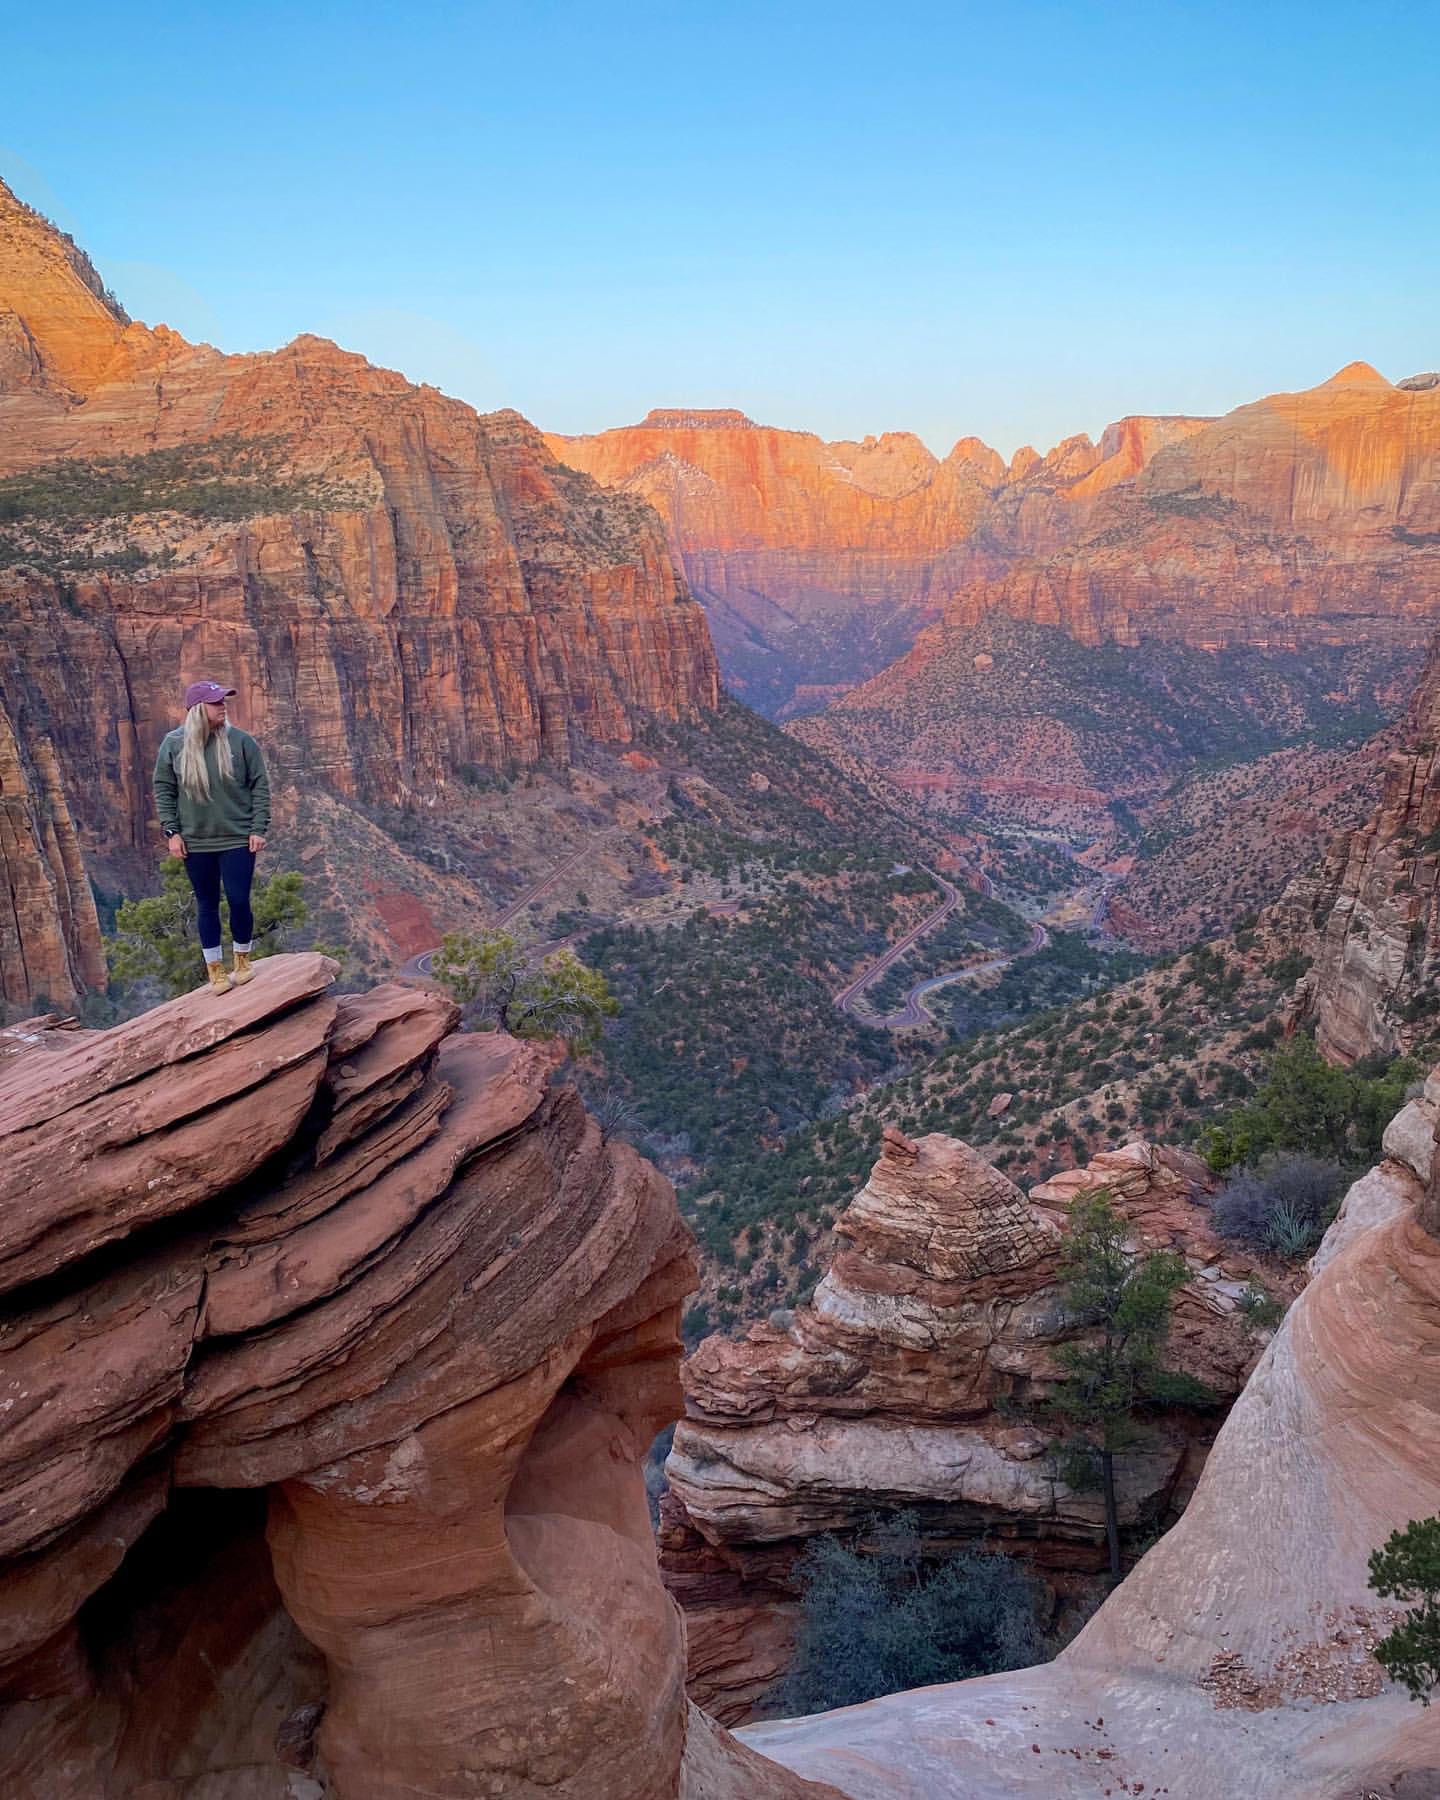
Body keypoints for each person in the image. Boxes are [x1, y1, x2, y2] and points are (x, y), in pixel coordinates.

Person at [153, 680, 271, 996]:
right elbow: (164, 788)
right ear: (197, 711)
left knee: (238, 899)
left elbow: (260, 785)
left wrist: (259, 828)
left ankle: (242, 961)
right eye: (216, 702)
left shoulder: (242, 742)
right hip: (196, 842)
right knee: (206, 904)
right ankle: (215, 970)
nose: (223, 707)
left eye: (223, 701)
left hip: (237, 839)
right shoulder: (173, 744)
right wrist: (172, 832)